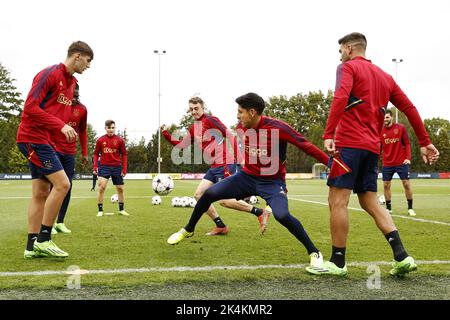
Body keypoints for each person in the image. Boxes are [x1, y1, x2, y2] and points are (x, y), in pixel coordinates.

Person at [306, 32, 439, 277]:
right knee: (369, 200)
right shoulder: (385, 76)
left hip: (348, 145)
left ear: (348, 48)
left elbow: (340, 97)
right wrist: (425, 141)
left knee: (337, 201)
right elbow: (409, 107)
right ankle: (402, 256)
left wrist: (328, 133)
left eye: (340, 50)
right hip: (371, 148)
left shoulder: (346, 68)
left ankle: (337, 262)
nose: (340, 55)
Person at [167, 93, 329, 268]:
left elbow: (305, 145)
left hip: (271, 183)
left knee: (282, 215)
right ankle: (188, 229)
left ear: (252, 112)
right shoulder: (241, 127)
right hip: (246, 177)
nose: (237, 116)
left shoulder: (278, 128)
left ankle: (314, 251)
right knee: (208, 194)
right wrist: (236, 167)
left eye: (240, 112)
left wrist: (331, 163)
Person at [16, 41, 93, 259]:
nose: (89, 66)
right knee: (63, 184)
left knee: (40, 193)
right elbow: (30, 107)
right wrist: (60, 126)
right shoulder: (49, 73)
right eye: (88, 61)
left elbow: (56, 114)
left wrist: (61, 131)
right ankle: (44, 239)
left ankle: (31, 248)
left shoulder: (71, 83)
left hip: (46, 141)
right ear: (77, 56)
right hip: (32, 138)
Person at [161, 96, 271, 236]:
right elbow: (182, 145)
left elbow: (230, 135)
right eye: (191, 109)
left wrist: (241, 159)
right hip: (214, 167)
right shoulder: (194, 127)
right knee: (199, 195)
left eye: (196, 108)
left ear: (203, 107)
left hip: (225, 163)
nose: (194, 111)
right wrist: (165, 134)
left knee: (225, 201)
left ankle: (260, 212)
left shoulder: (211, 120)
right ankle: (221, 226)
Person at [52, 83, 88, 234]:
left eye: (76, 96)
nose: (73, 99)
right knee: (51, 186)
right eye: (71, 96)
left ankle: (60, 222)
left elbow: (83, 131)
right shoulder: (58, 105)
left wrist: (84, 152)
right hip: (53, 148)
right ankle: (49, 222)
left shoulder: (82, 109)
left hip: (69, 152)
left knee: (68, 186)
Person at [381, 110, 416, 216]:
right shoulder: (380, 131)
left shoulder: (400, 128)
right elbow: (379, 147)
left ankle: (410, 208)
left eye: (387, 117)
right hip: (387, 163)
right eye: (384, 118)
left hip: (401, 162)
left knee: (406, 184)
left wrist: (408, 158)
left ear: (391, 118)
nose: (385, 119)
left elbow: (407, 143)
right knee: (386, 185)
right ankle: (388, 208)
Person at [93, 120, 128, 216]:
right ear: (105, 128)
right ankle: (100, 210)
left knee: (120, 189)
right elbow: (96, 154)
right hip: (104, 167)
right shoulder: (100, 140)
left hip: (117, 167)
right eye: (109, 128)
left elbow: (124, 155)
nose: (111, 130)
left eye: (113, 128)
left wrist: (124, 169)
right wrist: (95, 166)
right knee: (102, 187)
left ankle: (121, 210)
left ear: (115, 128)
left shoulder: (120, 140)